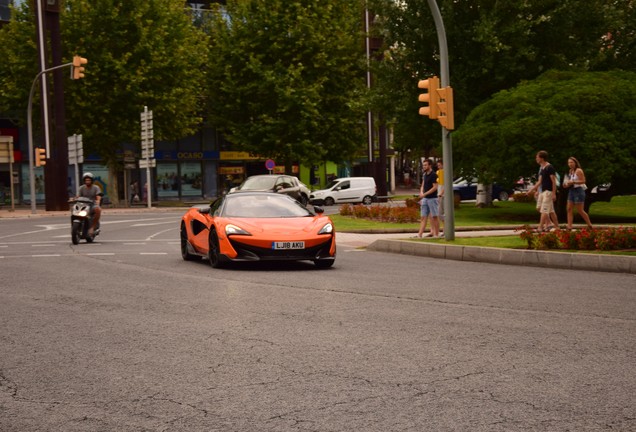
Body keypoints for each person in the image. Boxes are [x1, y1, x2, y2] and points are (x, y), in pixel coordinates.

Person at [526, 151, 559, 232]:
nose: (536, 159)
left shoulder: (549, 167)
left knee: (544, 210)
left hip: (549, 191)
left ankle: (540, 227)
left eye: (537, 157)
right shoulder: (542, 168)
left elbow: (553, 181)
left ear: (542, 158)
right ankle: (556, 227)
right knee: (545, 209)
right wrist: (531, 190)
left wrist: (554, 193)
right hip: (542, 192)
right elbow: (539, 181)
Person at [562, 156, 593, 230]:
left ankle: (589, 225)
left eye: (571, 162)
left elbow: (583, 181)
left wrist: (573, 182)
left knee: (580, 210)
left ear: (575, 163)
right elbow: (569, 181)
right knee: (569, 208)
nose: (570, 164)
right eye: (569, 163)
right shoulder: (570, 171)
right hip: (572, 190)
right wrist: (566, 184)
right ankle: (569, 226)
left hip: (579, 190)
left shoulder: (579, 170)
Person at [414, 159, 440, 238]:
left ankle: (436, 234)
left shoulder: (434, 175)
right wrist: (421, 192)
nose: (424, 166)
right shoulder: (425, 174)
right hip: (425, 199)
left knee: (434, 216)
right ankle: (419, 235)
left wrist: (424, 194)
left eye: (425, 165)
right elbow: (423, 185)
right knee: (423, 217)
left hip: (432, 199)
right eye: (423, 165)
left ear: (430, 165)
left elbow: (435, 187)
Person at [436, 159, 444, 235]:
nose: (438, 167)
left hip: (442, 196)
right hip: (439, 195)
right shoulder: (439, 172)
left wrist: (440, 194)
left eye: (439, 165)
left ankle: (445, 230)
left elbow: (445, 185)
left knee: (441, 213)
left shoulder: (444, 173)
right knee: (439, 213)